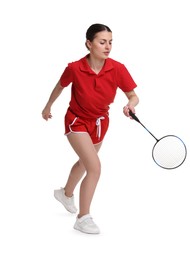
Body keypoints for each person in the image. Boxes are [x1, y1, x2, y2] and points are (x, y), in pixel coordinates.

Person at [42, 23, 139, 234]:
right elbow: (60, 86)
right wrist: (48, 106)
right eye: (102, 42)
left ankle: (65, 194)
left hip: (100, 122)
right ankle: (83, 217)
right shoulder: (75, 68)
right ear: (89, 43)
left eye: (111, 42)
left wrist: (130, 104)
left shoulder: (118, 68)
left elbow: (133, 95)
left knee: (85, 163)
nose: (108, 47)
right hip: (76, 120)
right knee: (94, 166)